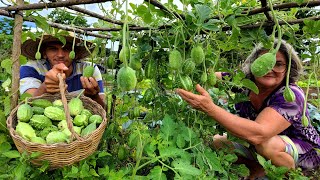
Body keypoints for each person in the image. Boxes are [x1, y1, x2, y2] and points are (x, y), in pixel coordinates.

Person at [176, 40, 320, 179]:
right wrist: (193, 69)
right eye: (264, 62)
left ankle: (290, 175)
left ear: (288, 69)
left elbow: (259, 134)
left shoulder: (291, 95)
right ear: (253, 64)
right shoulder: (245, 82)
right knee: (217, 141)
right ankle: (257, 168)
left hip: (303, 152)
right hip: (257, 144)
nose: (270, 68)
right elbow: (215, 77)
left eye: (278, 64)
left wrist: (210, 108)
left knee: (266, 144)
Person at [20, 33, 105, 108]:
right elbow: (27, 104)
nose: (60, 55)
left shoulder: (89, 68)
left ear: (75, 54)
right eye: (53, 49)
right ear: (44, 53)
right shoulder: (30, 68)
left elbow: (103, 109)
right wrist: (44, 88)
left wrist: (94, 96)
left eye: (66, 49)